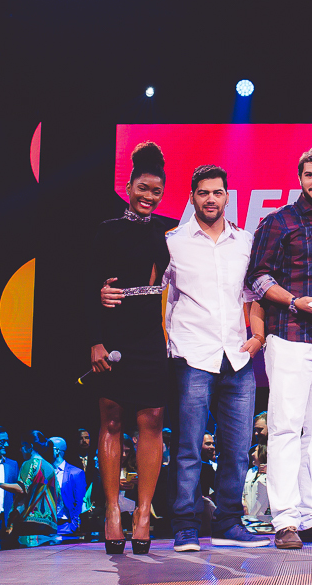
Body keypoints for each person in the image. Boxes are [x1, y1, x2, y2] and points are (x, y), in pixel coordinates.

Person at [105, 163, 268, 551]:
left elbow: (254, 293)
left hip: (238, 357)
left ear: (227, 197)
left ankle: (229, 523)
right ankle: (185, 527)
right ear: (192, 197)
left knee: (237, 450)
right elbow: (145, 289)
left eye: (217, 192)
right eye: (203, 192)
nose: (211, 199)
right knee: (188, 449)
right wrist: (105, 293)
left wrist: (258, 335)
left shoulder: (245, 241)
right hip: (191, 354)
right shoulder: (172, 241)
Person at [245, 147, 312, 550]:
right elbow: (257, 278)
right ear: (300, 178)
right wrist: (294, 301)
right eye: (310, 175)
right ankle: (285, 519)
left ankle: (311, 515)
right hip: (291, 335)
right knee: (286, 428)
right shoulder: (278, 222)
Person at [88, 142, 173, 554]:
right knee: (111, 420)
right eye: (143, 188)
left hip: (152, 335)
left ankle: (142, 513)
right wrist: (95, 339)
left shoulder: (170, 231)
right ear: (128, 186)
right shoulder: (107, 229)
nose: (148, 197)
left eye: (156, 191)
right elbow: (86, 284)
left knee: (152, 420)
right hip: (114, 333)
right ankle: (111, 511)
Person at [0, 432, 58, 548]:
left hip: (30, 522)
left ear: (30, 446)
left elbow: (21, 488)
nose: (20, 450)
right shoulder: (50, 467)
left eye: (22, 446)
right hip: (50, 524)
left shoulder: (29, 463)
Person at [49, 438, 86, 536]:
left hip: (65, 525)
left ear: (57, 451)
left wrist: (74, 525)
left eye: (48, 448)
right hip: (47, 525)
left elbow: (79, 501)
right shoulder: (45, 471)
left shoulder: (76, 473)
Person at [242, 445, 269, 518]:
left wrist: (269, 471)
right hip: (248, 517)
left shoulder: (272, 473)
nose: (252, 454)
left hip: (265, 518)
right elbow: (242, 492)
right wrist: (244, 505)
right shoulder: (251, 471)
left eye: (255, 451)